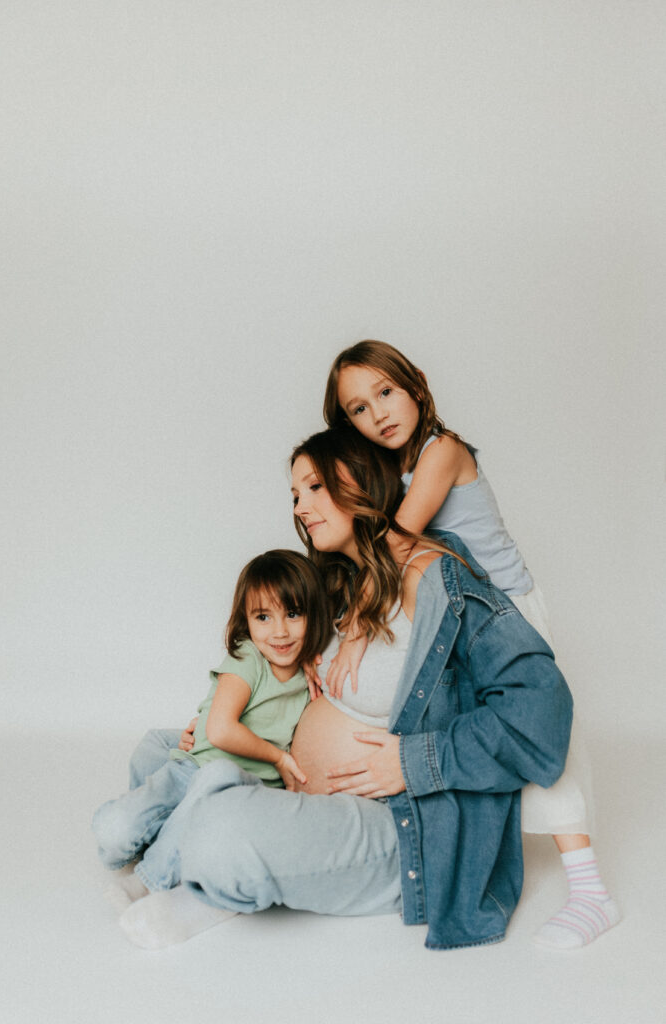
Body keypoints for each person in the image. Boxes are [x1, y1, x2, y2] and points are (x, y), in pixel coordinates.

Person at [116, 426, 575, 952]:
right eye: (295, 495)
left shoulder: (440, 580)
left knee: (218, 831)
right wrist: (225, 723)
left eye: (314, 487)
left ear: (358, 483)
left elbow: (541, 713)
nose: (301, 507)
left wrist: (413, 761)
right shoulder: (344, 583)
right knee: (159, 747)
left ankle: (214, 885)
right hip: (294, 778)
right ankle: (227, 848)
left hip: (397, 826)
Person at [320, 339, 620, 948]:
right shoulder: (393, 470)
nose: (377, 413)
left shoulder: (442, 452)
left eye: (385, 391)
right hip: (465, 616)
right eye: (357, 408)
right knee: (487, 737)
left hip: (509, 613)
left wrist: (351, 631)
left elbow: (400, 544)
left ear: (416, 385)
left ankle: (591, 892)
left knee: (548, 738)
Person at [92, 549, 331, 907]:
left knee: (219, 777)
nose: (280, 631)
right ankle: (155, 834)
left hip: (242, 793)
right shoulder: (248, 657)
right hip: (192, 769)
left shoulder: (312, 672)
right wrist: (278, 758)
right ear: (246, 621)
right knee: (114, 832)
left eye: (294, 614)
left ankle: (148, 882)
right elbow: (219, 731)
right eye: (263, 617)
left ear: (315, 616)